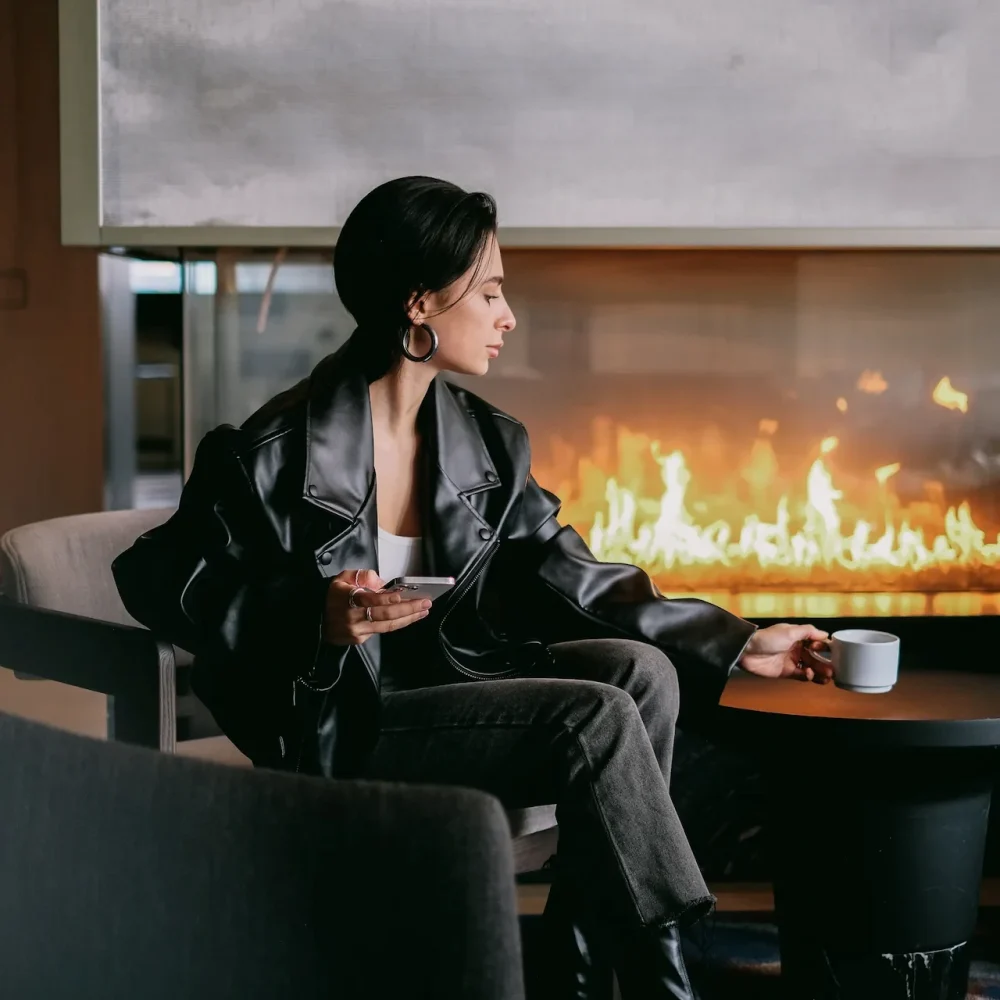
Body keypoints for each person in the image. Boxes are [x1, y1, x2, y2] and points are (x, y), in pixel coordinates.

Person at [113, 176, 832, 999]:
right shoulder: (270, 449)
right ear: (420, 302)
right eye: (489, 290)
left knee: (645, 673)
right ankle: (662, 976)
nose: (507, 313)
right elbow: (154, 576)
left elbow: (576, 575)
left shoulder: (488, 443)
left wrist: (739, 640)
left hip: (459, 690)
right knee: (593, 714)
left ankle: (582, 954)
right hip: (342, 719)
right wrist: (314, 614)